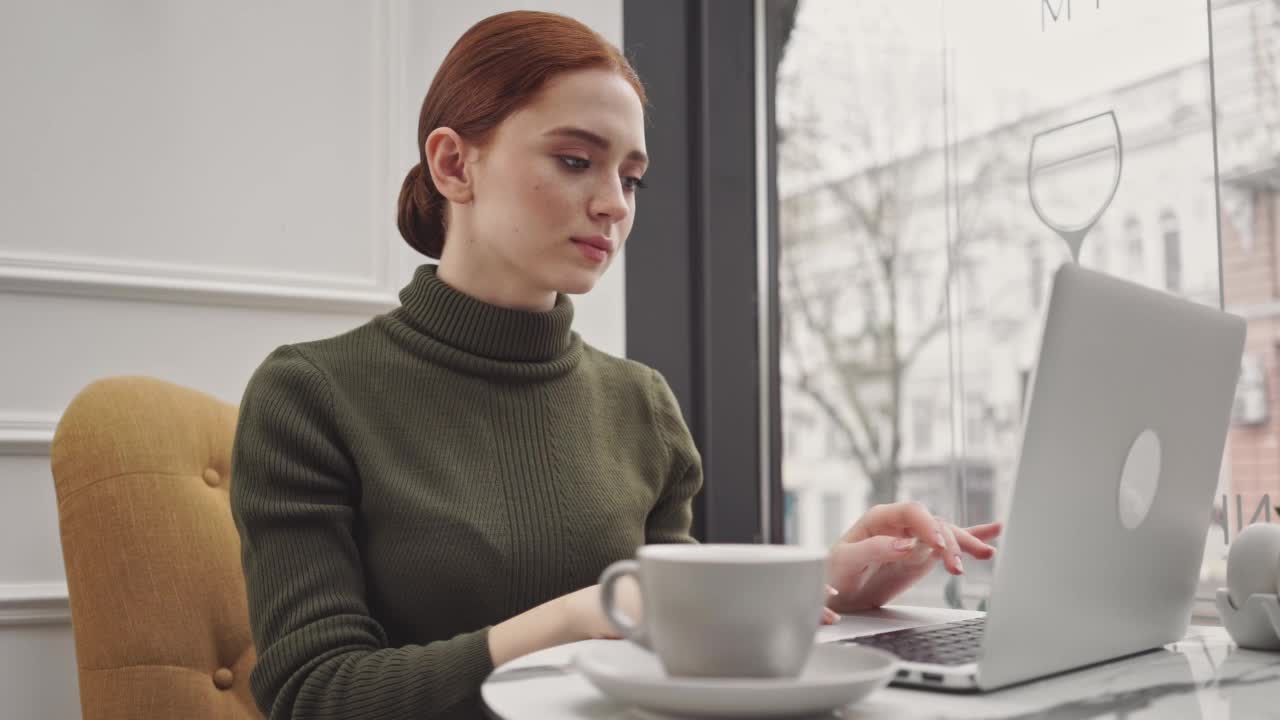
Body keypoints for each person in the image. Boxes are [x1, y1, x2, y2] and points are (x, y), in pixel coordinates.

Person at [229, 10, 1002, 720]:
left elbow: (680, 635)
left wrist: (827, 582)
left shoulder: (642, 404)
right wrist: (573, 619)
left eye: (630, 177)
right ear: (453, 165)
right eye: (575, 161)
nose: (615, 204)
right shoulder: (309, 396)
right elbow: (313, 694)